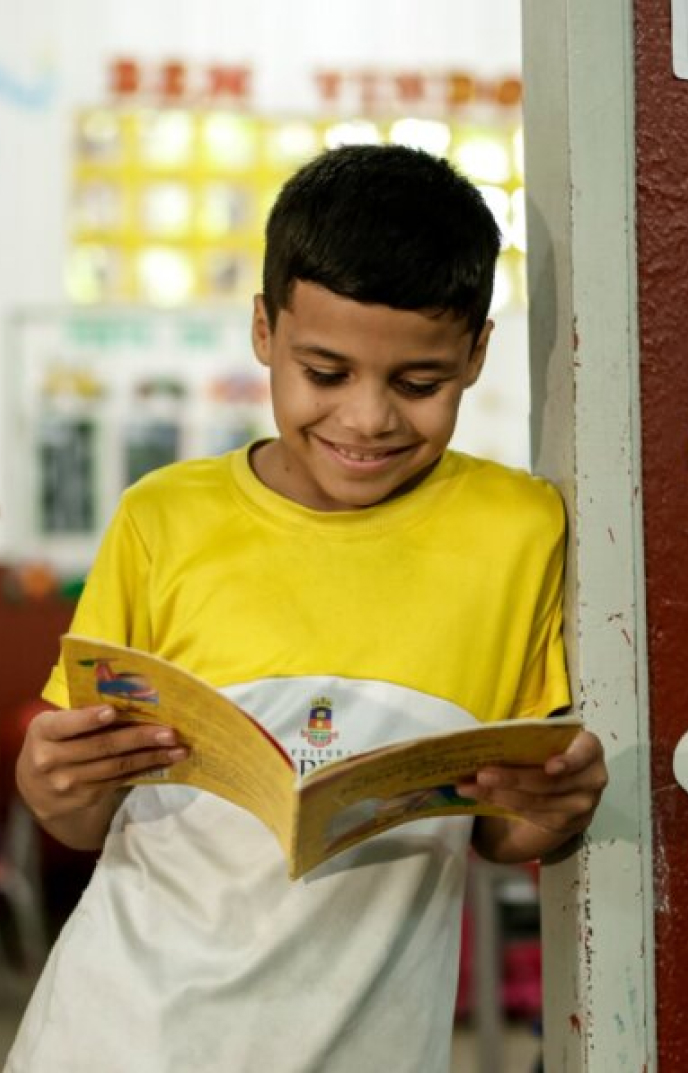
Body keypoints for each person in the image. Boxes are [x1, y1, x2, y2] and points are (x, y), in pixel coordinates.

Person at [7, 144, 607, 1073]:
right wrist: (53, 787)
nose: (366, 419)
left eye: (419, 384)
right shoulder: (164, 516)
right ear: (263, 330)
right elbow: (84, 815)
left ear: (478, 354)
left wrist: (557, 808)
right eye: (324, 373)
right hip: (118, 1034)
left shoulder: (519, 530)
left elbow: (498, 830)